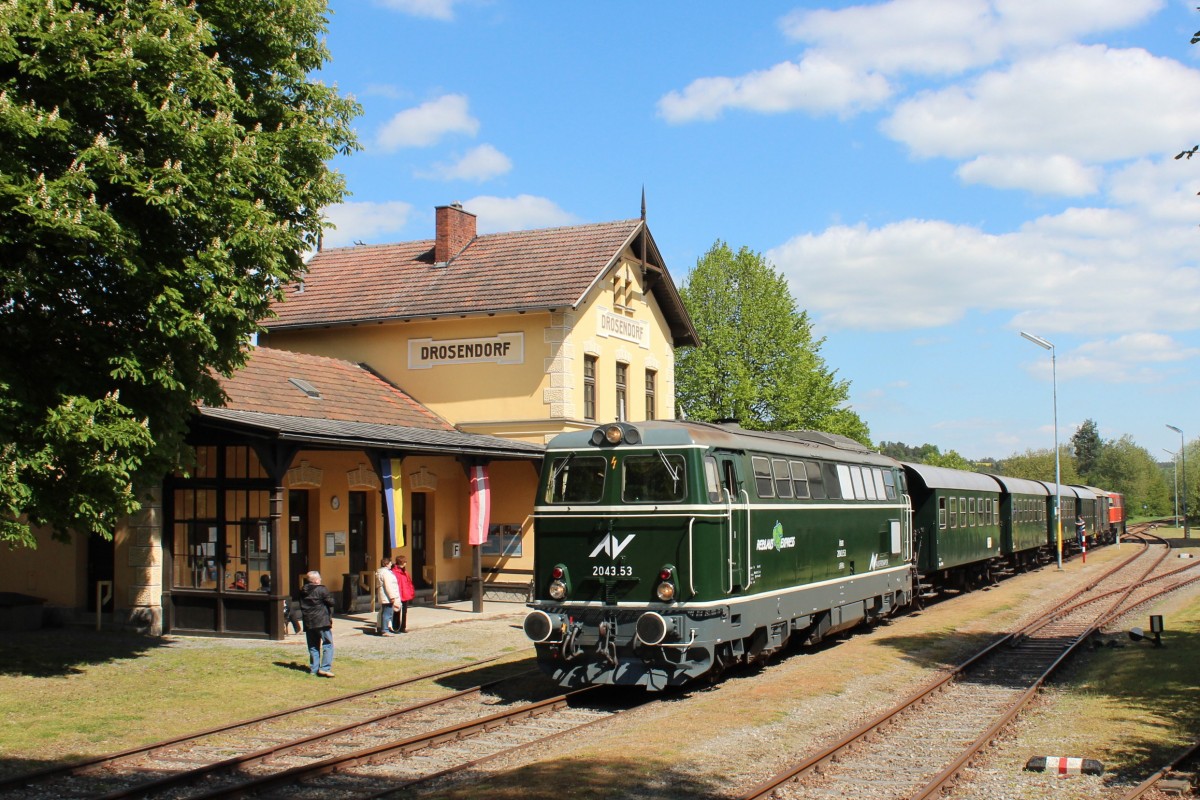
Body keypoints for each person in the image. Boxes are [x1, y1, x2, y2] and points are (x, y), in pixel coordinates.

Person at [299, 570, 335, 677]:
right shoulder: (321, 589)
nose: (321, 580)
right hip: (322, 621)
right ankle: (325, 668)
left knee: (313, 646)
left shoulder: (302, 590)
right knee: (328, 644)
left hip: (309, 621)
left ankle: (314, 669)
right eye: (319, 578)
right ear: (316, 580)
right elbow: (331, 602)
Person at [376, 556, 401, 636]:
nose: (391, 564)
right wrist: (392, 597)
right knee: (387, 613)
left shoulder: (383, 572)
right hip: (387, 596)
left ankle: (382, 628)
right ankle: (385, 630)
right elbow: (388, 586)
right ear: (386, 564)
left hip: (384, 596)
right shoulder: (386, 573)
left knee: (384, 612)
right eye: (390, 563)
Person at [391, 555, 416, 633]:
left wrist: (411, 592)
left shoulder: (404, 572)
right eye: (405, 561)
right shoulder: (395, 572)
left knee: (404, 611)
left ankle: (403, 627)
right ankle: (396, 627)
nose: (406, 563)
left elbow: (409, 582)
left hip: (405, 594)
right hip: (398, 594)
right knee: (396, 611)